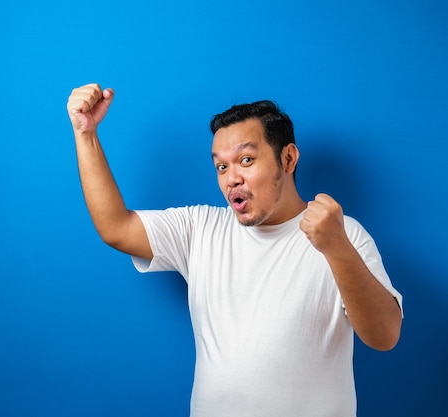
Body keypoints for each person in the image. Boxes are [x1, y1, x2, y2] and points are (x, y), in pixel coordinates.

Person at [66, 83, 403, 417]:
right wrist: (86, 134)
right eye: (221, 166)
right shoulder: (199, 228)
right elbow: (115, 228)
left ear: (287, 158)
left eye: (246, 159)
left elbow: (384, 336)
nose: (231, 179)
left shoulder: (343, 234)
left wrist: (337, 248)